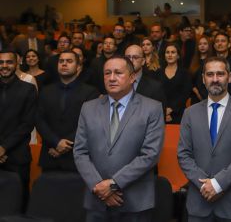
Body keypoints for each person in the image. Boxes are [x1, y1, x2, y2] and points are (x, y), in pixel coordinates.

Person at [74, 55, 164, 222]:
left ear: (132, 77)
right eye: (107, 73)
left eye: (118, 73)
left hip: (134, 202)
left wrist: (113, 184)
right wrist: (99, 187)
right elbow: (80, 151)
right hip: (96, 200)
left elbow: (150, 155)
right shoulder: (88, 108)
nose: (112, 78)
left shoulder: (152, 108)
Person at [177, 56, 231, 221]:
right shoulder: (190, 113)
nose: (215, 79)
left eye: (220, 74)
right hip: (199, 203)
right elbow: (184, 154)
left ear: (229, 77)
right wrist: (205, 186)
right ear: (203, 78)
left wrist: (217, 183)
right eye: (210, 74)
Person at [36, 51, 99, 172]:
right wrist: (55, 142)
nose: (64, 64)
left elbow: (90, 123)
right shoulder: (46, 90)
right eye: (61, 61)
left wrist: (63, 145)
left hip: (77, 158)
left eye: (69, 61)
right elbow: (39, 120)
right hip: (50, 155)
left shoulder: (91, 92)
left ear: (79, 67)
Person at [0, 50, 37, 209]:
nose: (4, 66)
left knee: (19, 203)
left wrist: (3, 148)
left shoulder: (28, 89)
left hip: (17, 156)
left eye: (9, 62)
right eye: (1, 62)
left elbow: (27, 124)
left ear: (16, 64)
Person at [157, 43, 192, 124]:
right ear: (164, 55)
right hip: (160, 113)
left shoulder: (185, 73)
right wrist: (164, 110)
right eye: (167, 52)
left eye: (173, 52)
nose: (170, 55)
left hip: (179, 113)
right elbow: (156, 94)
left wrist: (171, 109)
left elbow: (185, 93)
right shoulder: (158, 73)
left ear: (178, 56)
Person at [124, 44, 166, 110]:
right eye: (128, 57)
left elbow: (159, 116)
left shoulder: (155, 87)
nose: (131, 60)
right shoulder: (116, 83)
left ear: (143, 61)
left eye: (135, 57)